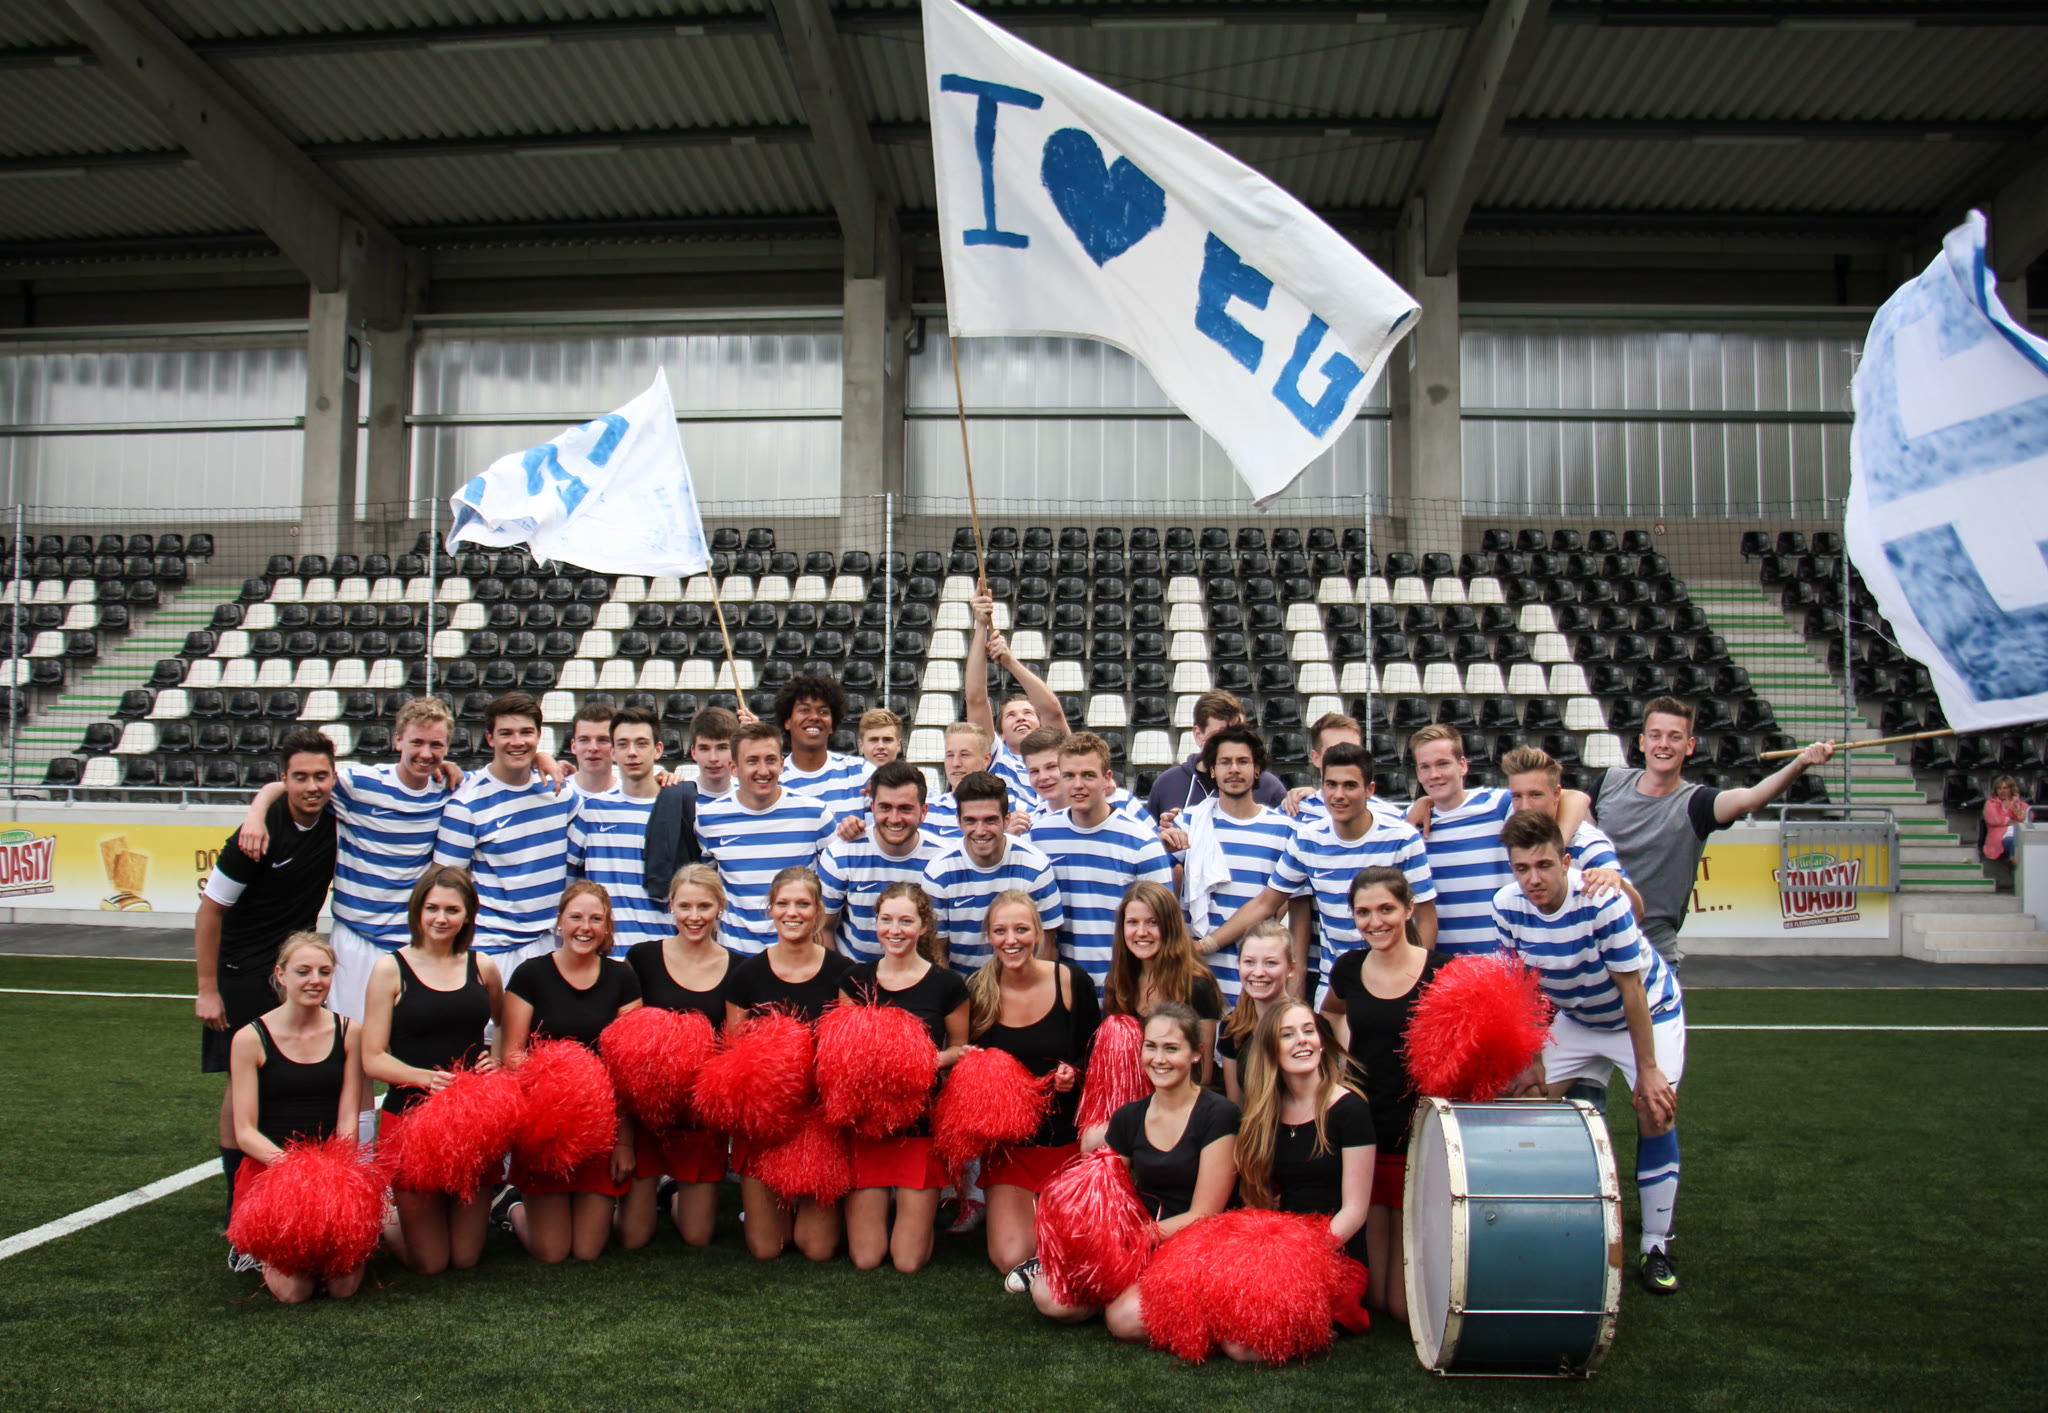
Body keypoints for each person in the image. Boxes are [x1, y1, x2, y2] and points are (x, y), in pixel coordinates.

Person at [1492, 810, 1687, 1295]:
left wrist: (1648, 1070)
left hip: (1646, 1012)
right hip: (1578, 1019)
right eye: (1522, 868)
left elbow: (1631, 989)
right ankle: (1535, 1227)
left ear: (1566, 862)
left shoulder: (1603, 901)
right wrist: (1533, 1059)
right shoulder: (1505, 905)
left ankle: (1656, 1244)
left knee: (1654, 1109)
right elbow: (1522, 990)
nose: (1533, 879)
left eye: (1544, 865)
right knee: (1522, 1100)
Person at [232, 697, 467, 1034]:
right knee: (351, 1038)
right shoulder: (358, 784)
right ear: (397, 740)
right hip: (356, 937)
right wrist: (256, 813)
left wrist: (542, 758)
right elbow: (296, 784)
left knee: (409, 1039)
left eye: (436, 745)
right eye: (416, 742)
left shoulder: (451, 789)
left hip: (412, 938)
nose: (425, 753)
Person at [197, 727, 338, 1253]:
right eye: (300, 777)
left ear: (333, 778)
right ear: (285, 779)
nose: (311, 786)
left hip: (293, 970)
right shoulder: (254, 837)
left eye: (320, 776)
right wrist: (207, 989)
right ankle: (237, 1204)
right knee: (243, 1087)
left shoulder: (336, 815)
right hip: (242, 971)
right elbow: (210, 912)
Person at [1023, 1002, 1238, 1343]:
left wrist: (1133, 1241)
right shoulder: (1129, 1116)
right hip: (1141, 1237)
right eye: (1151, 1046)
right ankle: (1121, 1290)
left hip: (1193, 1241)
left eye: (1171, 1048)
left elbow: (1204, 1213)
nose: (1159, 1058)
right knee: (1048, 1296)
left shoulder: (1219, 1114)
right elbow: (1107, 1194)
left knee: (1123, 1321)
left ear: (1197, 1053)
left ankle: (1182, 1302)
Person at [1588, 695, 1836, 966]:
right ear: (1642, 742)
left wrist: (1801, 762)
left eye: (1674, 737)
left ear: (1690, 746)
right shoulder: (1609, 783)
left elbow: (1753, 798)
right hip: (1590, 949)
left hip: (1651, 958)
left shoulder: (1697, 804)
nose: (1664, 744)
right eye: (1655, 735)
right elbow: (1577, 838)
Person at [1203, 743, 1438, 997]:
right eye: (1331, 785)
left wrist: (1413, 982)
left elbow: (1425, 918)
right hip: (1334, 987)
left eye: (1350, 785)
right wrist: (1206, 945)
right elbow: (1265, 903)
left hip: (1394, 984)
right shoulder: (1307, 839)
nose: (1338, 795)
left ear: (1369, 790)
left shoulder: (1403, 839)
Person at [1319, 867, 1446, 1321]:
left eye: (1386, 909)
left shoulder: (1442, 970)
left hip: (1422, 1131)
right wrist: (1342, 1067)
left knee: (1400, 1306)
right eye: (1363, 912)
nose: (1375, 922)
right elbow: (1331, 1014)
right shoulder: (1349, 968)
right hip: (1367, 1132)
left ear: (1409, 909)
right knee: (1376, 1300)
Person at [362, 867, 503, 1276]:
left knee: (465, 1258)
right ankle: (387, 1218)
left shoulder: (482, 966)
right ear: (417, 911)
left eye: (452, 910)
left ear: (468, 915)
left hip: (473, 1123)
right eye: (432, 908)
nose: (441, 918)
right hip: (411, 1120)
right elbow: (373, 1057)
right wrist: (426, 1078)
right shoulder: (390, 969)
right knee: (431, 1263)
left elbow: (504, 1023)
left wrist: (495, 1058)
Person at [497, 880, 642, 1264]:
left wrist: (624, 1142)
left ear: (607, 927)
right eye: (576, 917)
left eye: (596, 919)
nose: (585, 927)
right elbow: (512, 1054)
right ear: (559, 921)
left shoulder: (622, 978)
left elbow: (628, 1068)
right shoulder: (530, 974)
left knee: (587, 1250)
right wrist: (562, 1084)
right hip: (546, 1124)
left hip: (600, 1126)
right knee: (553, 1252)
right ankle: (511, 1207)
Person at [724, 866, 856, 1262]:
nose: (792, 912)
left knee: (817, 1249)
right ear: (770, 910)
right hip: (768, 1122)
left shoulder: (843, 972)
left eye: (803, 904)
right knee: (769, 1248)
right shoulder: (745, 975)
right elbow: (733, 1055)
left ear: (818, 910)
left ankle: (811, 1203)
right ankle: (769, 1207)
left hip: (819, 1118)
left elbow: (848, 1051)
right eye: (783, 903)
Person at [838, 882, 971, 1274]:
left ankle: (918, 1215)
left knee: (907, 1262)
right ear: (876, 923)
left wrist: (920, 1060)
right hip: (868, 1125)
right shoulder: (854, 979)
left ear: (923, 927)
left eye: (906, 921)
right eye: (886, 920)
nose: (894, 930)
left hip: (920, 1124)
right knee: (866, 1258)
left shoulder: (947, 984)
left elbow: (961, 1050)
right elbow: (840, 1051)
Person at [227, 931, 367, 1303]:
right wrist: (296, 1172)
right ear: (281, 974)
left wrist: (331, 1175)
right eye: (303, 971)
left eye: (324, 971)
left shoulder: (349, 1032)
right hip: (272, 1172)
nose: (314, 981)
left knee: (343, 1287)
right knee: (295, 1292)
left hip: (331, 1171)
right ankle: (253, 1249)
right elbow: (245, 1131)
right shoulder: (249, 1039)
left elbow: (348, 1117)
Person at [968, 892, 1101, 1276]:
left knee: (1074, 1249)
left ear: (1039, 934)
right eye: (1000, 931)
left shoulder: (1072, 981)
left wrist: (1073, 1074)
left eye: (1021, 929)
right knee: (1010, 1258)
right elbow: (966, 1067)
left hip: (1067, 1142)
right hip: (1011, 1150)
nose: (1011, 940)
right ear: (989, 936)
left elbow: (1095, 1055)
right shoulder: (977, 990)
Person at [620, 865, 739, 1250]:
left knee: (697, 1236)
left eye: (704, 906)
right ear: (670, 905)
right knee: (633, 1238)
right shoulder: (641, 958)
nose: (694, 916)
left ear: (720, 906)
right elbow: (625, 1044)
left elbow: (733, 1050)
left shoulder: (738, 967)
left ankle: (670, 1189)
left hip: (699, 1117)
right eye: (685, 906)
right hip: (648, 1113)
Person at [1235, 1000, 1374, 1318]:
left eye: (1308, 1031)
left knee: (1251, 1335)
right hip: (1280, 1249)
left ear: (1321, 1042)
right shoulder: (1265, 1112)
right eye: (1287, 1034)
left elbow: (1355, 1211)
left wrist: (1301, 1256)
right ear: (1271, 1050)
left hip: (1334, 1253)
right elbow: (1259, 1199)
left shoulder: (1350, 1109)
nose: (1302, 1040)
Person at [434, 693, 588, 980]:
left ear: (539, 736)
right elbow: (443, 885)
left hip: (552, 945)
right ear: (490, 739)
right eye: (506, 733)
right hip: (494, 950)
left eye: (526, 732)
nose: (517, 742)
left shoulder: (560, 793)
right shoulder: (466, 804)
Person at [1030, 732, 1174, 989]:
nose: (1078, 785)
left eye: (1088, 775)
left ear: (1107, 779)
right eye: (1069, 776)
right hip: (1063, 989)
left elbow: (1164, 926)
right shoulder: (1040, 836)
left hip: (1124, 988)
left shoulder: (1142, 843)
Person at [1178, 724, 1304, 1001]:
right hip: (1198, 979)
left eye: (1243, 761)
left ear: (1257, 769)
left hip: (1259, 983)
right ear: (1212, 770)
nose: (1234, 769)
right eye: (1225, 762)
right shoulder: (1187, 822)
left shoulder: (1285, 830)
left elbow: (1291, 905)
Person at [693, 722, 838, 955]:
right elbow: (709, 887)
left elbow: (835, 884)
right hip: (736, 956)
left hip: (797, 956)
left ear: (782, 764)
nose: (763, 770)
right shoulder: (709, 819)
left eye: (770, 760)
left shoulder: (816, 815)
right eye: (752, 761)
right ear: (733, 767)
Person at [921, 772, 1064, 972]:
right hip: (961, 986)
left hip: (1022, 983)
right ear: (958, 821)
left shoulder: (1035, 866)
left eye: (990, 820)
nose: (980, 830)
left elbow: (1046, 948)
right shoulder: (939, 873)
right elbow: (937, 953)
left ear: (1006, 819)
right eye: (971, 821)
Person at [1399, 725, 1517, 958]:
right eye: (1425, 767)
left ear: (1462, 765)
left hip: (1498, 963)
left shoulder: (1499, 806)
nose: (1434, 774)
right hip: (1442, 966)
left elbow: (1570, 798)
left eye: (1443, 764)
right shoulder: (1409, 825)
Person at [818, 762, 944, 961]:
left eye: (905, 809)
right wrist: (841, 976)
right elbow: (823, 927)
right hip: (854, 975)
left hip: (920, 975)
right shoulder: (840, 856)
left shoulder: (942, 859)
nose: (894, 818)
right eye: (885, 807)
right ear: (872, 807)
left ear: (924, 811)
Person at [1103, 882, 1222, 1089]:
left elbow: (1202, 1074)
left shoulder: (1197, 986)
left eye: (1152, 922)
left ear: (1170, 927)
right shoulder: (1119, 979)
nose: (1141, 932)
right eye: (1132, 922)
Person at [1503, 744, 1644, 918]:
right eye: (1517, 796)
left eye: (1535, 795)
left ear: (1557, 794)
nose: (1525, 806)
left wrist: (1616, 881)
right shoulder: (1508, 817)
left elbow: (1635, 912)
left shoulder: (1585, 844)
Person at [576, 706, 671, 951]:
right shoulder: (591, 810)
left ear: (658, 750)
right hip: (606, 954)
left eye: (641, 743)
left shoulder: (678, 809)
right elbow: (569, 879)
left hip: (662, 953)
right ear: (613, 752)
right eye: (623, 744)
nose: (632, 752)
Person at [966, 591, 1068, 808]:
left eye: (1028, 713)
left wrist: (1009, 661)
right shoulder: (998, 758)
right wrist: (981, 624)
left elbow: (1053, 712)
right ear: (1001, 735)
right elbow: (976, 699)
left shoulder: (1061, 754)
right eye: (1011, 715)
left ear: (1041, 727)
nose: (1021, 718)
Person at [1145, 690, 1288, 823]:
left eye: (1237, 733)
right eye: (1219, 736)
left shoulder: (1269, 787)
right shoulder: (1167, 784)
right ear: (1198, 735)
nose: (1229, 744)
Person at [1216, 920, 1296, 1104]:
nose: (1258, 972)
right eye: (1249, 962)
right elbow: (1236, 1105)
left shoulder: (1309, 1026)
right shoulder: (1232, 1026)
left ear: (1291, 968)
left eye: (1271, 963)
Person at [1280, 712, 1406, 828]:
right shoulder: (1291, 815)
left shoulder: (1392, 817)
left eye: (1353, 749)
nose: (1346, 756)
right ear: (1316, 758)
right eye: (1334, 751)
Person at [776, 674, 872, 820]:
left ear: (832, 724)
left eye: (823, 712)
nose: (815, 717)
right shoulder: (775, 779)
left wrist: (861, 828)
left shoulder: (861, 773)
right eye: (804, 710)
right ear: (787, 721)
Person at [922, 721, 994, 840]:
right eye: (950, 755)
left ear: (986, 760)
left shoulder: (1012, 809)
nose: (955, 763)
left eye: (964, 755)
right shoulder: (926, 812)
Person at [1983, 774, 2031, 888]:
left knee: (2022, 842)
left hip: (2021, 834)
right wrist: (2012, 821)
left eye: (2005, 788)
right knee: (2014, 841)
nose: (2002, 791)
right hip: (2001, 836)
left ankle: (2013, 861)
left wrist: (2012, 807)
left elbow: (2027, 818)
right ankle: (2013, 860)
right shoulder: (1991, 803)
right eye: (1999, 788)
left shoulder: (2021, 804)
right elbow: (1994, 819)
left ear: (2011, 789)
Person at [566, 700, 618, 795]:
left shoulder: (632, 795)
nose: (593, 748)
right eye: (584, 740)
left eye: (603, 740)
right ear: (573, 746)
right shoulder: (554, 792)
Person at [688, 706, 740, 800]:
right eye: (704, 749)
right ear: (693, 752)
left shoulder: (750, 796)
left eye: (722, 748)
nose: (713, 758)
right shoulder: (678, 794)